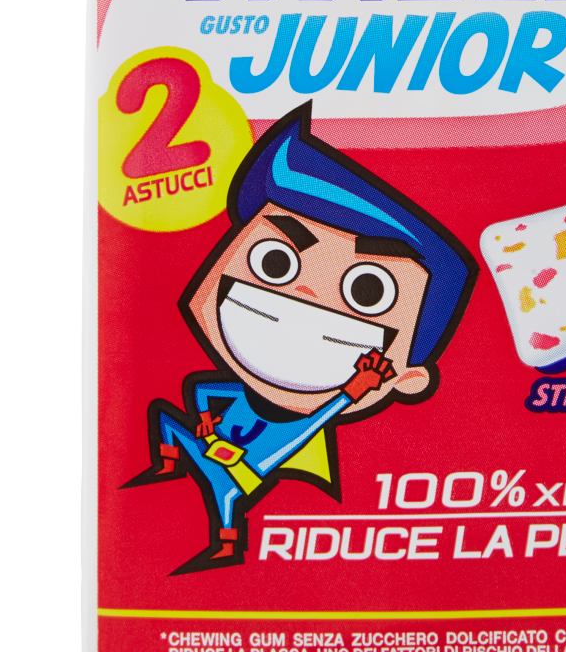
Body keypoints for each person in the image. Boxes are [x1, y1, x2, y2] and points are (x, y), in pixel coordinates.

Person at [124, 101, 478, 574]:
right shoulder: (233, 390)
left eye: (369, 291)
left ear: (408, 377)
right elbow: (208, 389)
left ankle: (226, 544)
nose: (305, 296)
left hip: (240, 473)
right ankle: (172, 468)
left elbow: (322, 415)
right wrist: (207, 423)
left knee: (224, 495)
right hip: (214, 457)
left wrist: (356, 388)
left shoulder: (302, 428)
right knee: (172, 424)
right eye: (274, 262)